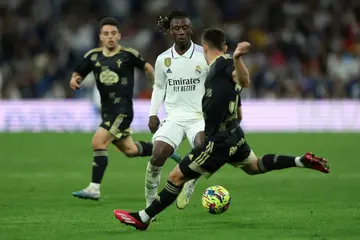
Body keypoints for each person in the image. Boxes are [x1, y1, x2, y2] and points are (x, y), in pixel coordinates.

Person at [113, 28, 331, 230]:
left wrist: (237, 58)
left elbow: (244, 80)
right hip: (235, 135)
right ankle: (300, 160)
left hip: (217, 141)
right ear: (224, 46)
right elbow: (239, 87)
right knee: (254, 166)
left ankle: (143, 218)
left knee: (175, 177)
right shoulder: (220, 66)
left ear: (204, 47)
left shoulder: (223, 64)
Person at [70, 17, 180, 200]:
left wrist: (156, 84)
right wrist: (74, 79)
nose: (110, 37)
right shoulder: (92, 56)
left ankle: (94, 188)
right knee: (130, 150)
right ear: (100, 37)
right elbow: (78, 73)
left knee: (98, 142)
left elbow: (147, 67)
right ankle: (165, 148)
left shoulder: (129, 55)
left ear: (119, 35)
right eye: (106, 34)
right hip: (107, 112)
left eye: (113, 33)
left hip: (122, 111)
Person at [145, 10, 209, 213]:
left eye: (184, 27)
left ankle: (189, 182)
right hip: (173, 117)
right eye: (176, 28)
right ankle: (150, 202)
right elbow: (159, 87)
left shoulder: (204, 55)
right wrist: (153, 113)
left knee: (202, 148)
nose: (181, 31)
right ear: (170, 32)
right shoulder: (163, 59)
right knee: (157, 157)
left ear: (191, 30)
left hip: (199, 117)